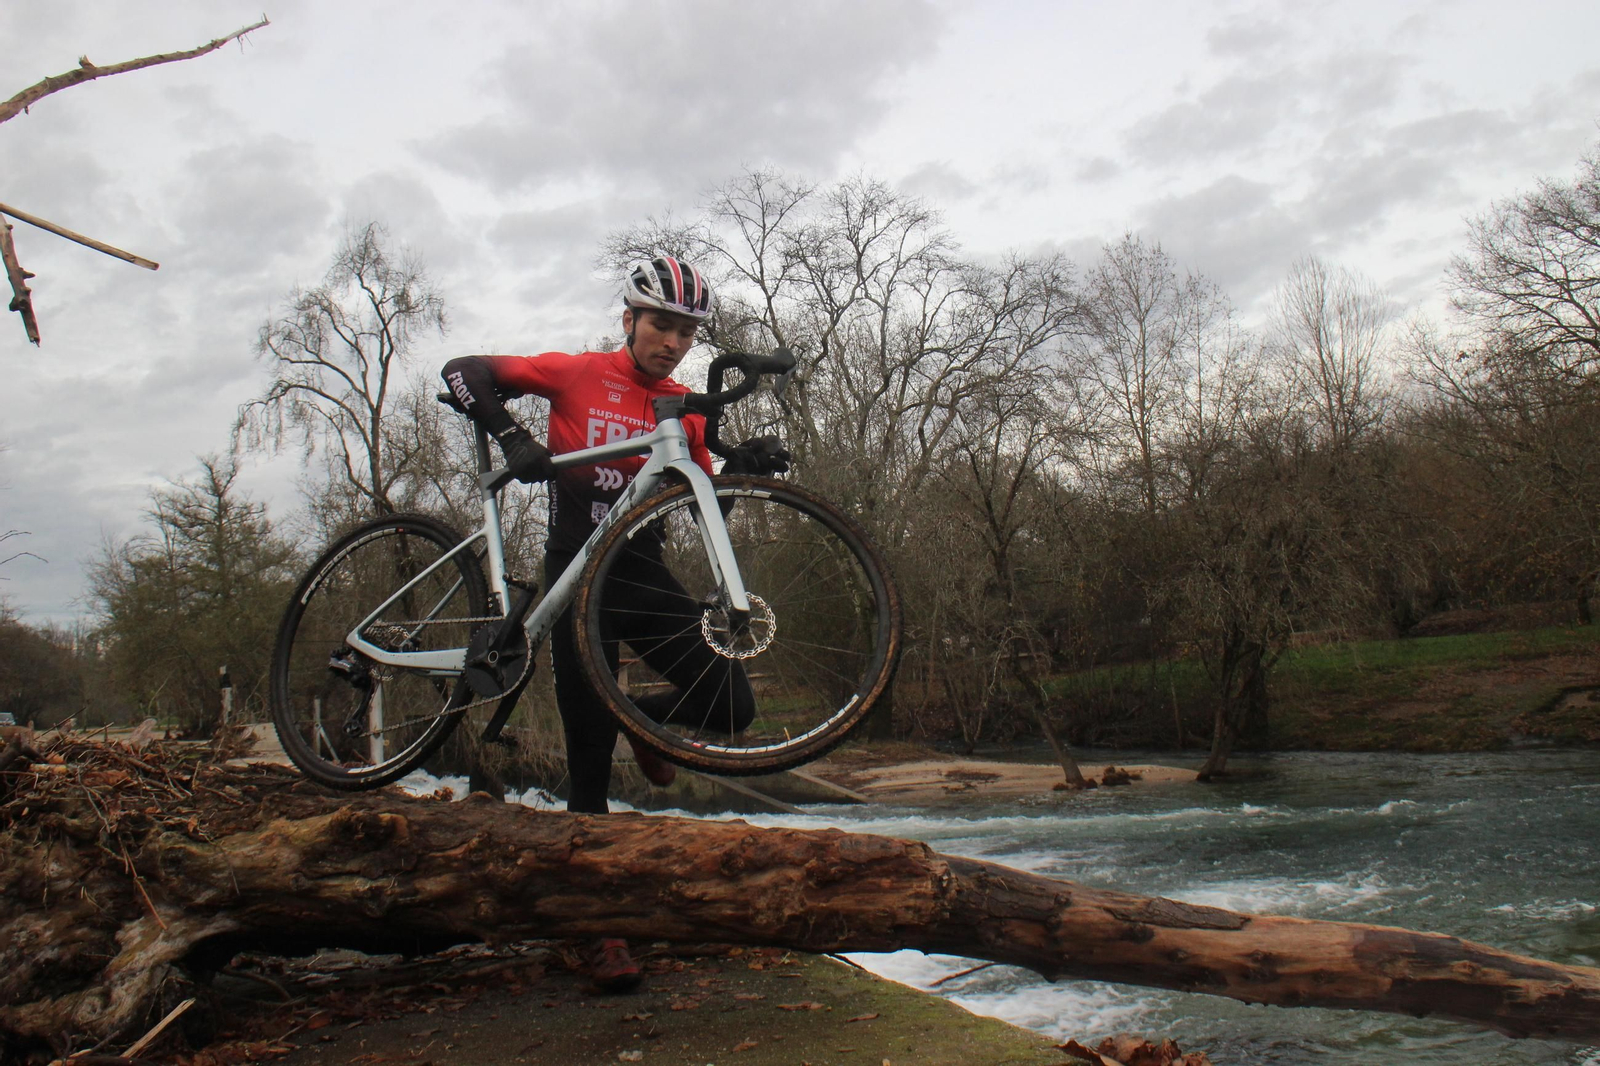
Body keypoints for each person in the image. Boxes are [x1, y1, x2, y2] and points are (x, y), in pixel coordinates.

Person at [440, 255, 789, 991]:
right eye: (661, 324)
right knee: (589, 769)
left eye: (687, 331)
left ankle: (638, 719)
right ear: (628, 319)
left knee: (732, 704)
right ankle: (598, 932)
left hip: (644, 575)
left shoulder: (684, 409)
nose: (672, 341)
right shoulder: (575, 374)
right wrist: (513, 438)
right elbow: (462, 369)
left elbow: (703, 509)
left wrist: (741, 472)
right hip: (575, 580)